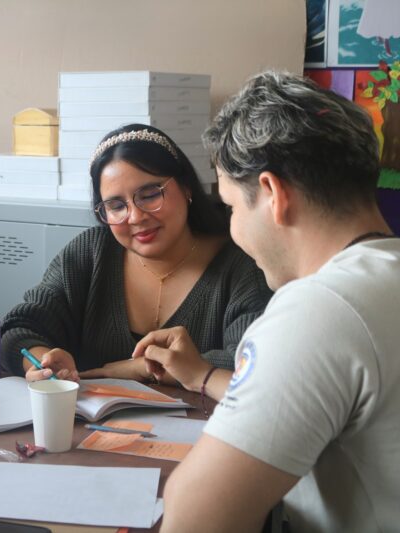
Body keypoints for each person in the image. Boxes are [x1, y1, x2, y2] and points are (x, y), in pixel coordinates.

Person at [146, 71, 400, 532]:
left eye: (231, 207)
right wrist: (204, 376)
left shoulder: (321, 309)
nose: (232, 228)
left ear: (273, 193)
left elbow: (195, 517)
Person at [0, 123, 272, 382]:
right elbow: (18, 329)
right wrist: (44, 362)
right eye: (116, 206)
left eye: (150, 195)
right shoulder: (90, 253)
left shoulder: (243, 265)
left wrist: (143, 368)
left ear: (186, 186)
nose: (135, 216)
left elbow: (255, 363)